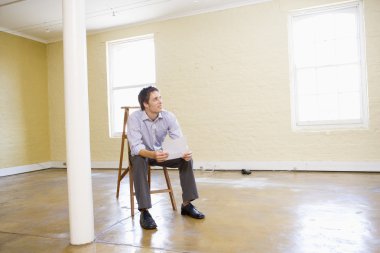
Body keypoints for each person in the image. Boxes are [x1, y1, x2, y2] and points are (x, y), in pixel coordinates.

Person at [127, 86, 205, 230]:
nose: (160, 101)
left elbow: (178, 140)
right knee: (138, 161)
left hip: (160, 154)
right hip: (143, 154)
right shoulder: (134, 118)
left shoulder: (168, 116)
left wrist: (184, 152)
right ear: (145, 104)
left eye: (160, 97)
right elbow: (136, 147)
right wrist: (151, 154)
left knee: (186, 160)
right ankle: (144, 212)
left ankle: (187, 204)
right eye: (155, 99)